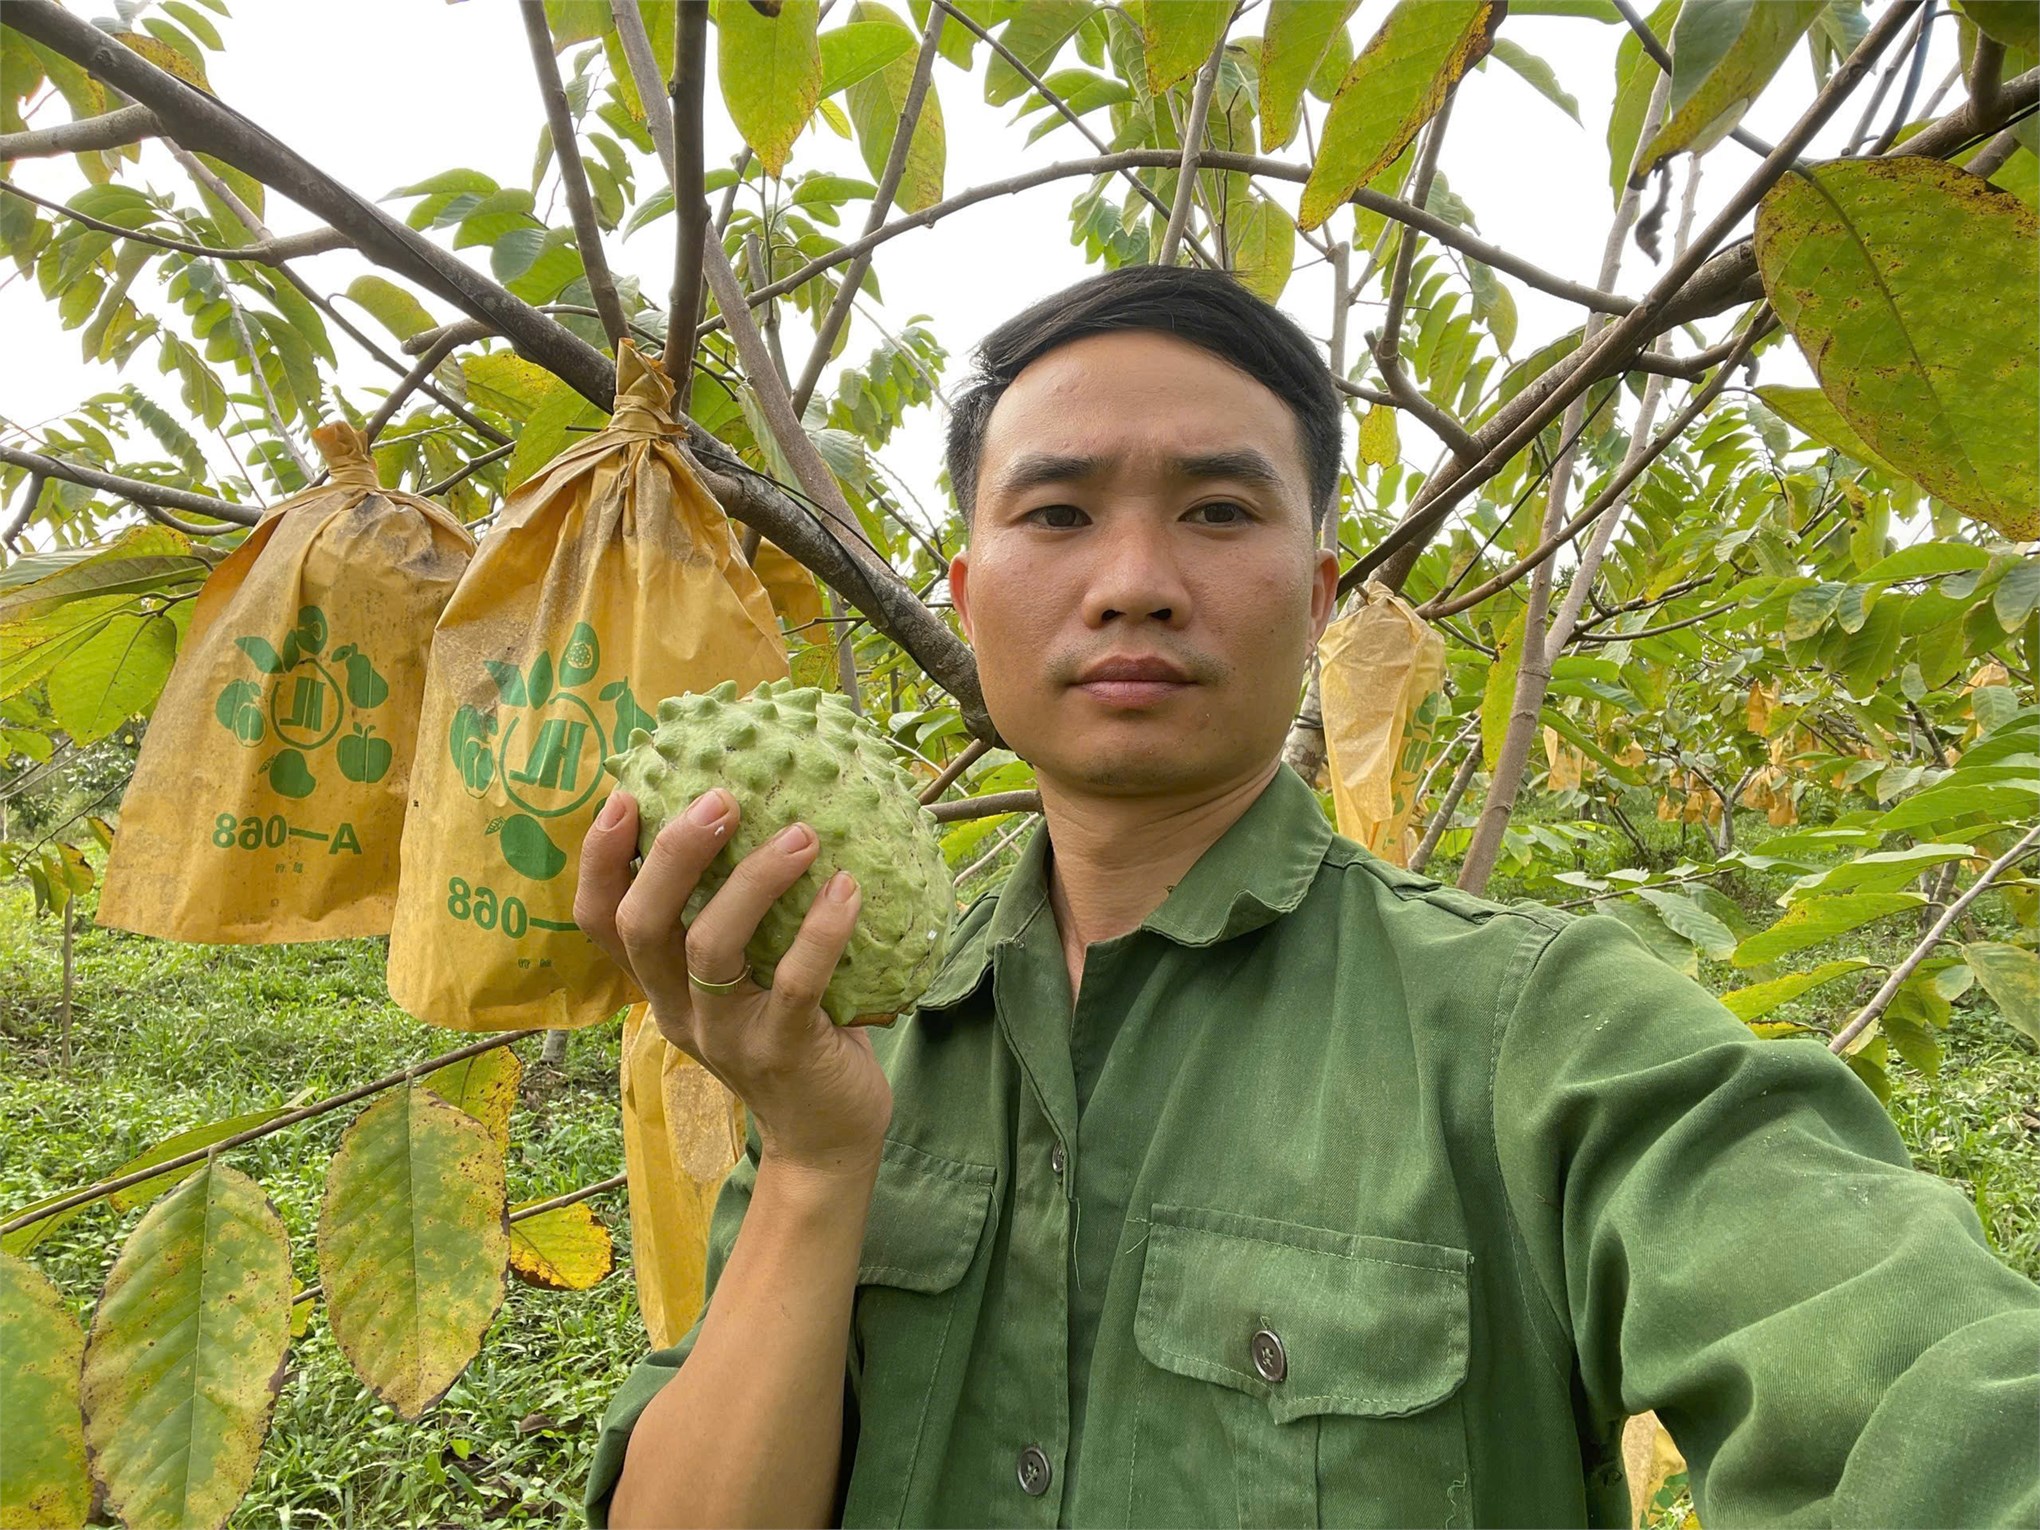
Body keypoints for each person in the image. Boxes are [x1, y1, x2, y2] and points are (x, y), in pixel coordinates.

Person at [573, 264, 2039, 1528]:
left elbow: (1921, 1373)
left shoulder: (1538, 1029)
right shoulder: (848, 1052)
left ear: (1322, 590)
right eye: (1061, 514)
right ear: (965, 593)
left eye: (1218, 509)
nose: (1135, 580)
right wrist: (822, 1166)